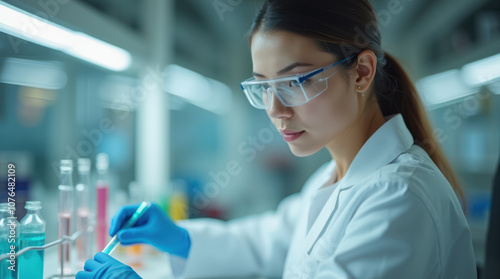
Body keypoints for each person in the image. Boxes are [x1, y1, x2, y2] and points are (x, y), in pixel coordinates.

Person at [76, 0, 477, 278]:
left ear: (361, 73)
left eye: (296, 82)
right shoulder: (330, 176)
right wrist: (178, 237)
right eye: (263, 87)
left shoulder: (399, 196)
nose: (276, 109)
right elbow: (266, 241)